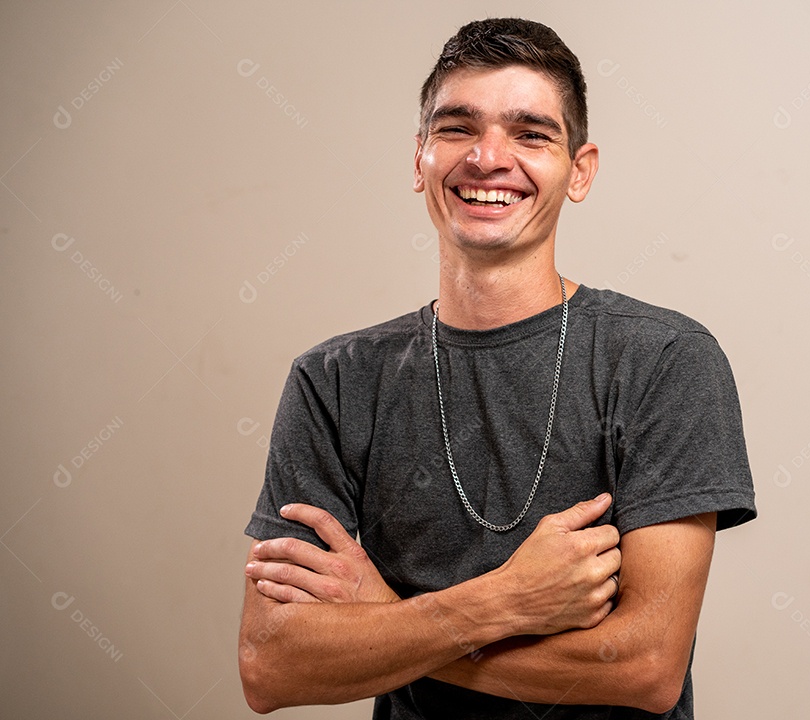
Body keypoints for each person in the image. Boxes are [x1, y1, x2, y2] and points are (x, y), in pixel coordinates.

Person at [239, 17, 756, 719]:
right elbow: (273, 667)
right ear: (418, 156)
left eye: (530, 134)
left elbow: (644, 668)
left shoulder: (664, 360)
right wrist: (502, 600)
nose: (487, 158)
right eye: (456, 128)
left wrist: (390, 620)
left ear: (580, 171)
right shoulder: (333, 382)